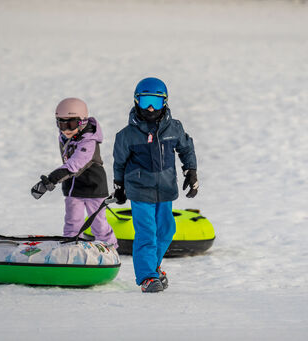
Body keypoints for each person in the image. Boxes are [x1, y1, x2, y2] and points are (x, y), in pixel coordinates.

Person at [113, 77, 198, 292]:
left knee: (167, 230)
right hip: (140, 191)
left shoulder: (174, 128)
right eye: (145, 102)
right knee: (146, 233)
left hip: (166, 188)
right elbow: (120, 162)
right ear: (136, 102)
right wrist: (118, 186)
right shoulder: (127, 135)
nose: (150, 108)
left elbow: (186, 148)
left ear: (165, 103)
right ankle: (147, 277)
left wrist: (191, 171)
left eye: (156, 102)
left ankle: (153, 266)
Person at [31, 98, 117, 248]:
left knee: (98, 223)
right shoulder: (65, 136)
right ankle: (70, 249)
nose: (66, 129)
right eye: (61, 124)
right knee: (72, 222)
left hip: (93, 185)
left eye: (70, 124)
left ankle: (109, 249)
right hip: (72, 186)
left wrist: (50, 180)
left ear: (82, 122)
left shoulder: (89, 141)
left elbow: (74, 164)